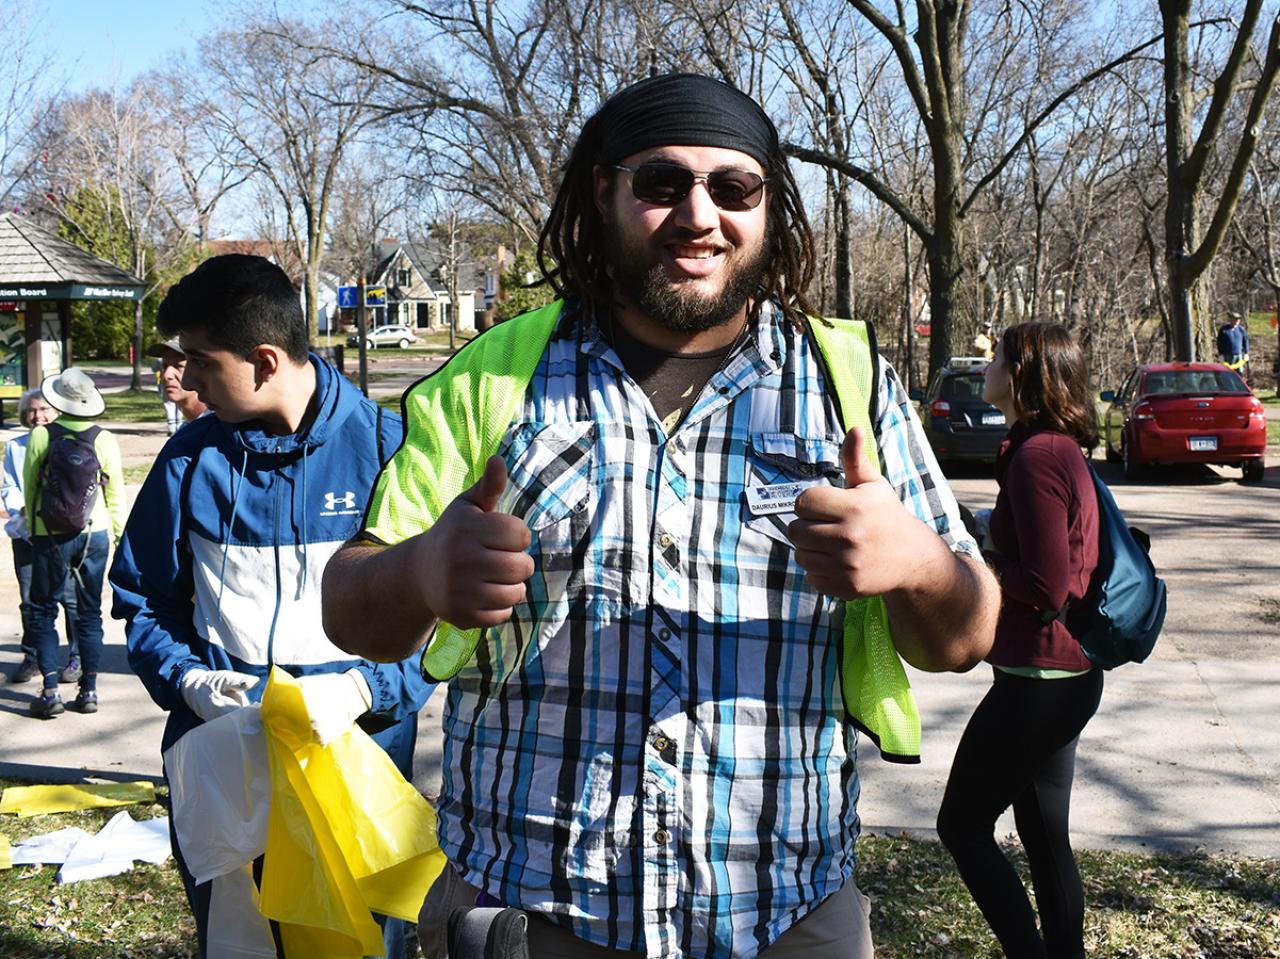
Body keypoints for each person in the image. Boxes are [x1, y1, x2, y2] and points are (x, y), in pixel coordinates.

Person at [322, 73, 1000, 959]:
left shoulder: (849, 384)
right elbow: (345, 605)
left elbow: (966, 635)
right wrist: (417, 571)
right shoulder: (492, 379)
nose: (698, 214)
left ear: (768, 208)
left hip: (788, 917)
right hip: (534, 916)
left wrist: (919, 562)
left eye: (733, 187)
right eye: (660, 183)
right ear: (604, 191)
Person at [109, 254, 433, 958]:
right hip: (224, 772)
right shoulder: (188, 461)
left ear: (262, 359)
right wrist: (188, 680)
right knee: (240, 943)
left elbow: (443, 626)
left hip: (360, 769)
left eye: (198, 358)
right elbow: (142, 598)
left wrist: (363, 688)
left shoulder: (389, 453)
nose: (184, 378)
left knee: (362, 945)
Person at [936, 322, 1103, 959]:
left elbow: (1046, 584)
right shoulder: (1049, 447)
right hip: (1063, 675)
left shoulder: (1037, 456)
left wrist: (978, 557)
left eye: (998, 355)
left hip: (1042, 681)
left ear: (1022, 371)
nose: (987, 362)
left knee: (963, 825)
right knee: (1041, 833)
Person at [24, 369, 126, 717]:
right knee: (89, 613)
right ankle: (89, 690)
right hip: (93, 535)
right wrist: (118, 535)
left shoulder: (42, 435)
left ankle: (50, 690)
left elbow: (31, 487)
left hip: (48, 533)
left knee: (42, 610)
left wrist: (34, 526)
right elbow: (116, 494)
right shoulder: (105, 438)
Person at [3, 389, 81, 685]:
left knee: (69, 598)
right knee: (29, 599)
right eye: (33, 410)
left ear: (57, 412)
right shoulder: (15, 446)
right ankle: (32, 655)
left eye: (45, 409)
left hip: (61, 534)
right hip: (26, 532)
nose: (39, 415)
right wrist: (19, 508)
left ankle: (75, 656)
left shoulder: (67, 443)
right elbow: (9, 485)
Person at [148, 336, 207, 433]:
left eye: (178, 366)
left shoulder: (220, 433)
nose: (167, 375)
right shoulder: (185, 432)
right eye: (165, 366)